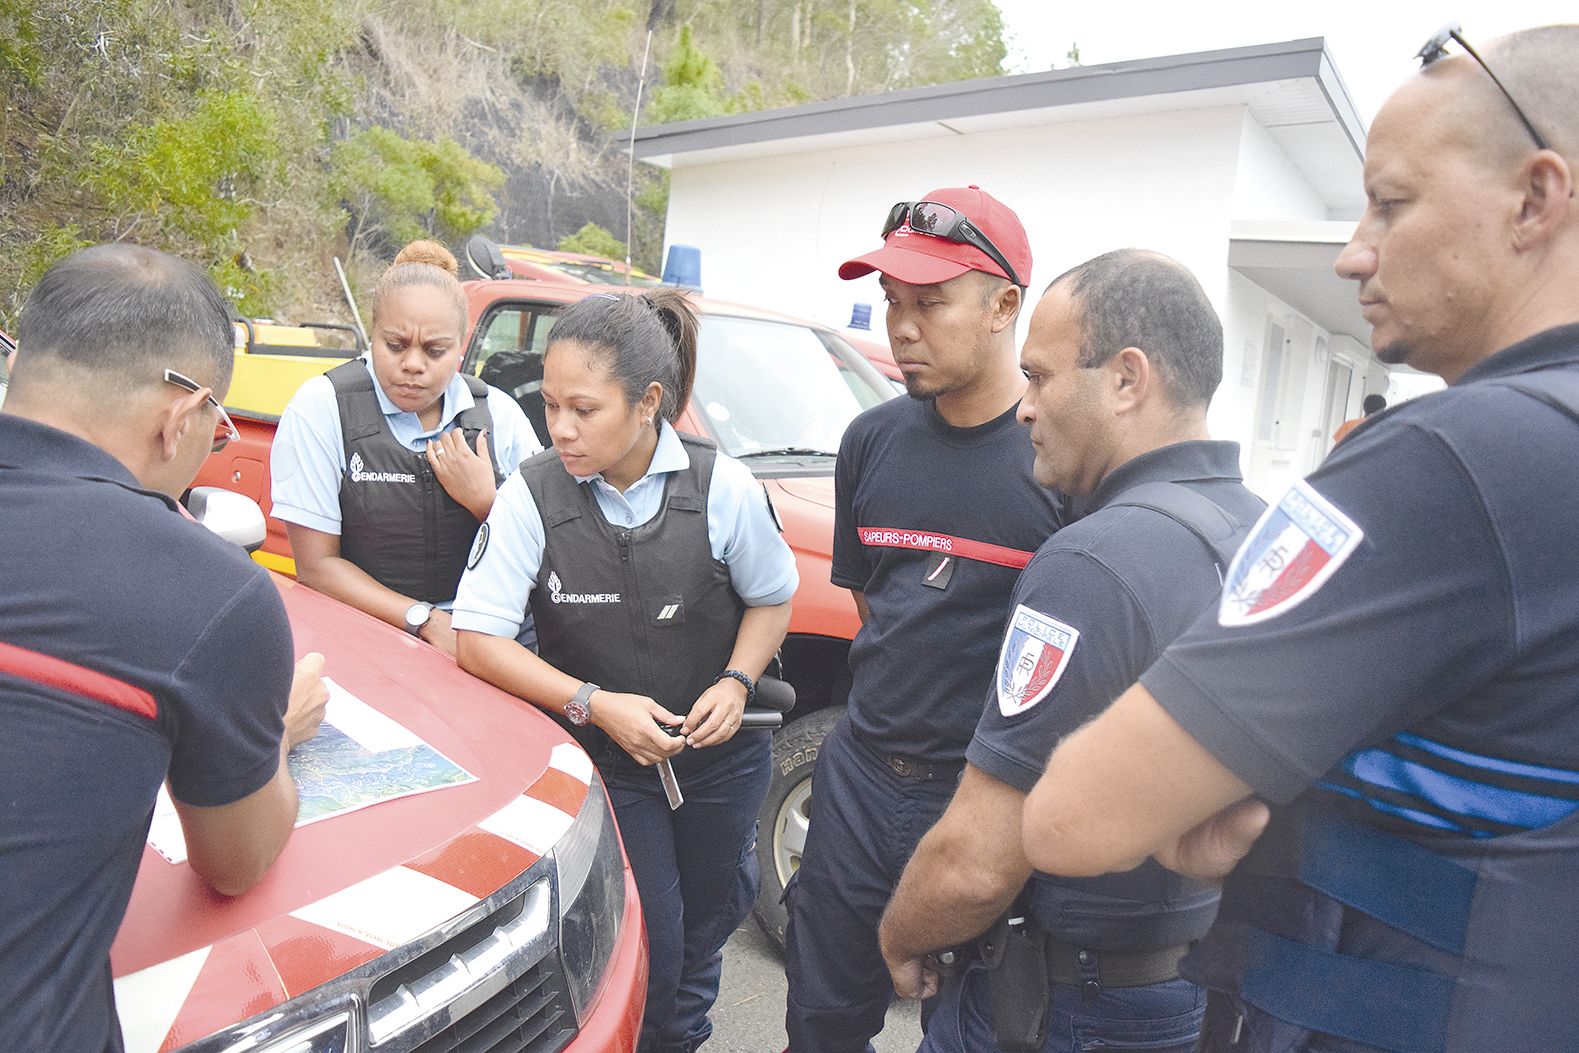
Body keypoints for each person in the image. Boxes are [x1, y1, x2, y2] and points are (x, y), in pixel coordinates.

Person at [1019, 23, 1579, 1052]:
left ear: (1534, 199)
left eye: (1392, 203)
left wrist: (1240, 797)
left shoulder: (1453, 461)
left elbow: (1075, 818)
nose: (1352, 249)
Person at [878, 250, 1266, 1053]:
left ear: (1126, 380)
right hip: (1208, 984)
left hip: (1077, 1002)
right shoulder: (1264, 532)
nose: (1023, 407)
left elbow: (978, 863)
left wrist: (900, 934)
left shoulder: (1091, 563)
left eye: (1040, 376)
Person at [450, 289, 797, 1053]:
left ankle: (681, 1035)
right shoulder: (531, 495)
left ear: (646, 403)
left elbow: (772, 600)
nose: (561, 428)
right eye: (550, 405)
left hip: (721, 760)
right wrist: (592, 702)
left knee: (708, 921)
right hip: (609, 761)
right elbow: (476, 638)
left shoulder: (721, 487)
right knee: (654, 938)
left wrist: (735, 682)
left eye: (584, 409)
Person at [0, 244, 327, 1051]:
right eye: (216, 433)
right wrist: (276, 733)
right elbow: (235, 860)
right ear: (181, 415)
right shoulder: (209, 592)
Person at [783, 185, 1065, 1051]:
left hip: (985, 794)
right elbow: (879, 610)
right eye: (891, 302)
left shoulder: (1056, 457)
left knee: (972, 1030)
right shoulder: (870, 441)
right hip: (860, 777)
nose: (902, 325)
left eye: (930, 303)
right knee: (822, 1024)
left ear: (1003, 305)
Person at [270, 240, 541, 655]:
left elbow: (551, 552)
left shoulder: (498, 415)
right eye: (395, 345)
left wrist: (486, 502)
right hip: (364, 635)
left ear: (462, 345)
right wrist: (425, 621)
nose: (414, 364)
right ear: (372, 333)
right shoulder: (323, 408)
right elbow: (317, 567)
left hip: (490, 641)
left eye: (435, 350)